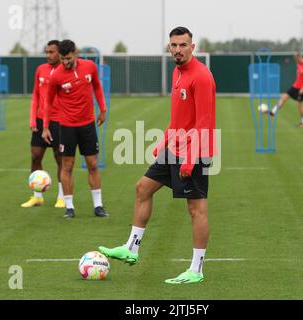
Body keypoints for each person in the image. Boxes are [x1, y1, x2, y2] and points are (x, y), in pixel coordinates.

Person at [99, 27, 216, 284]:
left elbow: (205, 123)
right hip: (174, 148)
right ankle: (132, 247)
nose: (177, 50)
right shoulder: (177, 71)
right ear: (169, 47)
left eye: (183, 45)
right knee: (143, 188)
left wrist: (190, 158)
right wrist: (163, 141)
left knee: (196, 209)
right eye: (173, 45)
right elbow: (178, 118)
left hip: (195, 151)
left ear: (192, 47)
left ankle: (196, 269)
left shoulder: (202, 77)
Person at [42, 40, 109, 219]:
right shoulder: (56, 75)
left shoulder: (89, 67)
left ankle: (98, 206)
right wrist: (46, 126)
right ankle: (69, 207)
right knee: (67, 166)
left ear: (76, 53)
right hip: (67, 127)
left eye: (68, 58)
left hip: (87, 125)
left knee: (92, 164)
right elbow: (47, 102)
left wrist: (102, 109)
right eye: (63, 59)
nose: (65, 62)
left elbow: (97, 87)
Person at [21, 40, 65, 208]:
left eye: (51, 52)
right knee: (35, 156)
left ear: (59, 53)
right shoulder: (41, 69)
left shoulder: (64, 71)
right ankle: (37, 196)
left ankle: (62, 197)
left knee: (59, 158)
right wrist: (33, 119)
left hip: (58, 121)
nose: (48, 55)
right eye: (46, 52)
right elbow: (35, 96)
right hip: (40, 120)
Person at [269, 53, 303, 128]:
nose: (296, 61)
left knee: (300, 106)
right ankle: (273, 112)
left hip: (301, 89)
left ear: (300, 57)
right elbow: (298, 77)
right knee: (283, 97)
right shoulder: (298, 66)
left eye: (296, 60)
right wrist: (294, 85)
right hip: (294, 87)